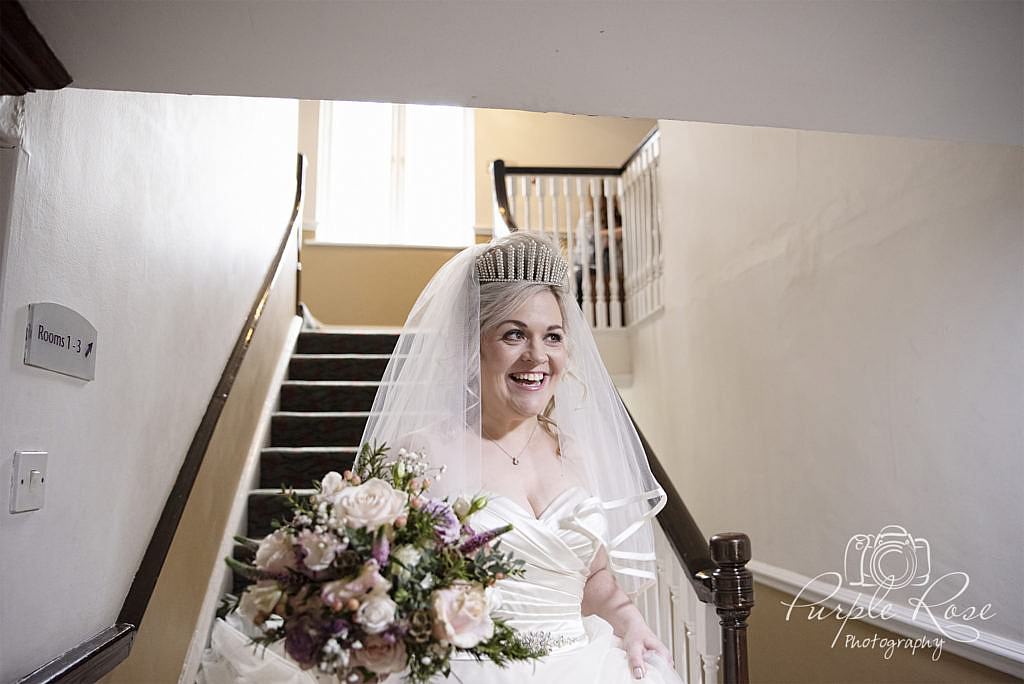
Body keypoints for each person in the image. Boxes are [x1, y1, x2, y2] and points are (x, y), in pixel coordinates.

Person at [201, 232, 678, 683]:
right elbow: (377, 583)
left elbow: (592, 577)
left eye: (552, 336)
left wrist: (631, 622)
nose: (537, 356)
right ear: (474, 343)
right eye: (514, 335)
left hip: (584, 664)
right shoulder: (421, 454)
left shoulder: (578, 454)